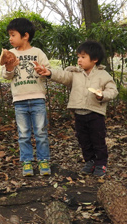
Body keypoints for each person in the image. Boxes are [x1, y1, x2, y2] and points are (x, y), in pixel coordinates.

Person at [34, 40, 118, 177]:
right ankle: (90, 161)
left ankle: (101, 163)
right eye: (78, 57)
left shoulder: (103, 75)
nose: (79, 60)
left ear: (95, 59)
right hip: (79, 113)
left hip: (95, 114)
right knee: (83, 140)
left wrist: (102, 95)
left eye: (83, 57)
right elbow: (62, 76)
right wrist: (48, 72)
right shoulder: (75, 73)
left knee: (98, 140)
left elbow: (113, 91)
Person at [1, 18, 51, 177]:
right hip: (19, 101)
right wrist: (10, 66)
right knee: (23, 133)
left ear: (25, 36)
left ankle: (43, 160)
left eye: (13, 34)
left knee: (41, 132)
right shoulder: (10, 54)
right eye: (9, 35)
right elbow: (6, 76)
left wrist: (41, 70)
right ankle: (27, 162)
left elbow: (47, 70)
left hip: (37, 99)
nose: (10, 38)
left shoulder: (37, 53)